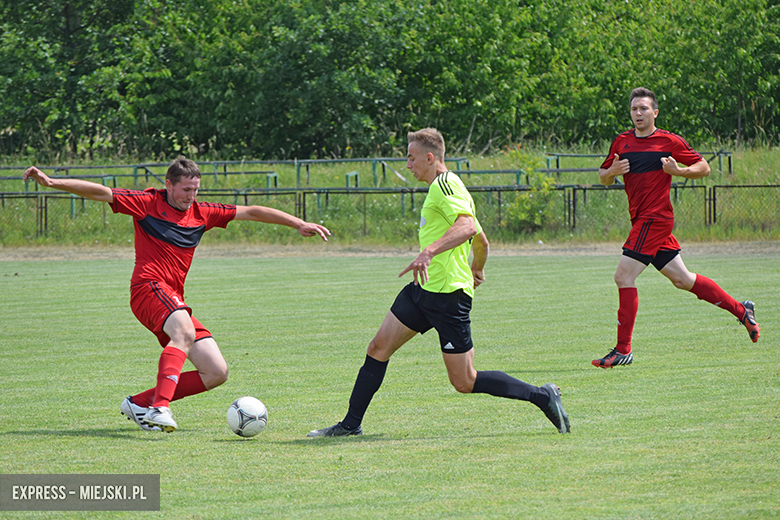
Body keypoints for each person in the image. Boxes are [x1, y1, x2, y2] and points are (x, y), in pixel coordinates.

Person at [23, 157, 331, 432]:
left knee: (215, 371)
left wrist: (298, 223)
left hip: (172, 297)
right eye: (185, 190)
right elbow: (100, 191)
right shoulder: (146, 202)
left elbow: (251, 210)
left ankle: (141, 403)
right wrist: (51, 182)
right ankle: (160, 408)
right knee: (182, 332)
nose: (191, 196)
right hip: (147, 287)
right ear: (168, 185)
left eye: (195, 190)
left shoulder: (202, 212)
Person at [307, 128, 570, 437]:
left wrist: (429, 252)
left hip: (447, 296)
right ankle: (350, 425)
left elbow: (468, 226)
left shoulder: (445, 185)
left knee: (464, 381)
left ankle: (542, 395)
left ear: (430, 158)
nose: (407, 165)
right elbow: (482, 240)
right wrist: (478, 269)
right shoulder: (444, 188)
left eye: (411, 157)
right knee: (378, 348)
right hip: (424, 289)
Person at [592, 87, 760, 369]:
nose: (638, 114)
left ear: (654, 112)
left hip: (654, 219)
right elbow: (602, 177)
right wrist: (611, 173)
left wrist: (678, 171)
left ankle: (623, 350)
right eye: (634, 109)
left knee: (623, 277)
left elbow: (703, 167)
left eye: (644, 109)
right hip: (642, 220)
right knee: (683, 279)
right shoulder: (621, 142)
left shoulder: (668, 141)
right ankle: (742, 311)